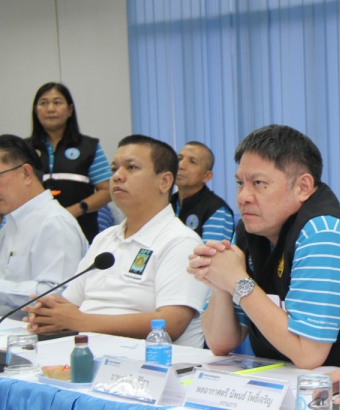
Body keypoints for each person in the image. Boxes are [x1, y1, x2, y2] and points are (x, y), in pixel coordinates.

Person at [189, 125, 340, 369]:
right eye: (239, 183)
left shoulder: (324, 233)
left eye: (258, 183)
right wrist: (221, 283)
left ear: (303, 187)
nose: (243, 196)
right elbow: (221, 343)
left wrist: (238, 282)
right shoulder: (250, 230)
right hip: (293, 381)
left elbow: (308, 354)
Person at [24, 135, 209, 347]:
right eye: (114, 169)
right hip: (89, 352)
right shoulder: (105, 239)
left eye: (131, 168)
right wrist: (48, 316)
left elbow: (172, 324)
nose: (117, 176)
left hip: (149, 361)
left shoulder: (181, 241)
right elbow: (70, 304)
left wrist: (81, 321)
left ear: (164, 181)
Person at [0, 135, 87, 318]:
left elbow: (57, 295)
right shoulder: (11, 223)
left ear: (26, 173)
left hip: (37, 333)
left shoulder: (55, 223)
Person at [27, 82, 113, 242]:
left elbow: (107, 190)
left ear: (70, 110)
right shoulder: (24, 149)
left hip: (80, 232)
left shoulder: (89, 147)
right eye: (44, 103)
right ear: (35, 110)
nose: (50, 109)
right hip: (33, 233)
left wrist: (74, 211)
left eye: (57, 102)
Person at [170, 141, 234, 242]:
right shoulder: (166, 203)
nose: (181, 165)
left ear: (207, 176)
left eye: (192, 162)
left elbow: (211, 251)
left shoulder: (216, 210)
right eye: (179, 159)